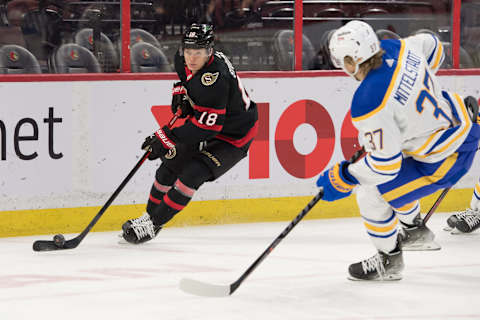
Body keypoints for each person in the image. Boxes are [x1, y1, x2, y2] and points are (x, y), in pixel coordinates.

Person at [316, 20, 480, 281]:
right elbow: (434, 47)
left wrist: (345, 177)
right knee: (397, 168)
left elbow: (384, 166)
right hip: (460, 119)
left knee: (370, 194)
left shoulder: (369, 100)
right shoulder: (397, 48)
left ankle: (389, 261)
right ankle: (415, 231)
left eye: (341, 61)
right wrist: (414, 95)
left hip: (449, 155)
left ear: (351, 60)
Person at [121, 23, 258, 244]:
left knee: (192, 175)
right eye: (188, 51)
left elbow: (208, 128)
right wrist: (181, 94)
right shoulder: (181, 57)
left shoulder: (215, 77)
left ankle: (154, 223)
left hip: (234, 136)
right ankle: (148, 218)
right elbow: (186, 82)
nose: (192, 58)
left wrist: (166, 138)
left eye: (198, 53)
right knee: (169, 166)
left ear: (210, 51)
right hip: (209, 123)